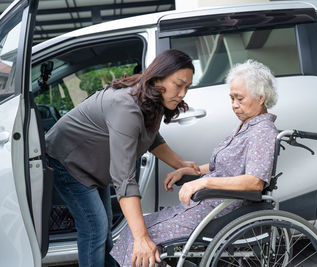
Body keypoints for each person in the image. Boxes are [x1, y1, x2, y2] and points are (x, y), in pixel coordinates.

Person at [110, 59, 279, 267]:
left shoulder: (262, 132)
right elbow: (224, 167)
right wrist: (188, 171)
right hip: (208, 205)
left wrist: (202, 183)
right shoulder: (248, 126)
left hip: (221, 209)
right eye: (232, 98)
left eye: (240, 98)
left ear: (260, 98)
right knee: (136, 230)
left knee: (142, 235)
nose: (234, 105)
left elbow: (254, 182)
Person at [45, 49, 200, 267]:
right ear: (157, 77)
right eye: (179, 84)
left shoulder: (150, 98)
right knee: (94, 228)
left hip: (91, 163)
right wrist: (141, 238)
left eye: (187, 87)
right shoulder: (126, 106)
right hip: (67, 160)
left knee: (104, 226)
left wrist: (180, 164)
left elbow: (151, 137)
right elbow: (124, 178)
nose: (183, 93)